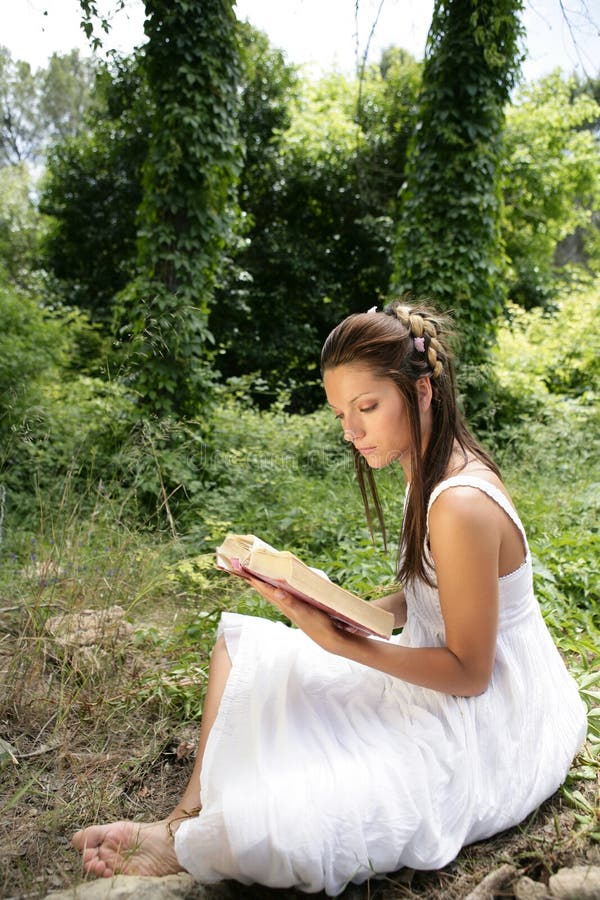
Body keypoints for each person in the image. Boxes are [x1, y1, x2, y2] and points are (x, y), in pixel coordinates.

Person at [72, 300, 587, 895]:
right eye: (341, 412)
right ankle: (182, 824)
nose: (351, 430)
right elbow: (434, 590)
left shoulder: (460, 503)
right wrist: (346, 608)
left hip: (486, 718)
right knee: (243, 650)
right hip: (444, 678)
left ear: (422, 391)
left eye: (367, 407)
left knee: (293, 823)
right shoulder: (426, 465)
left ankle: (188, 842)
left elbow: (471, 672)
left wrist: (343, 644)